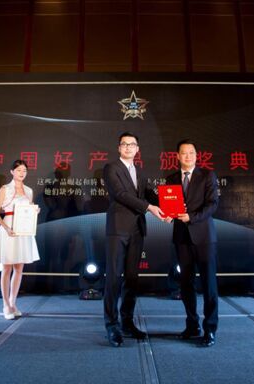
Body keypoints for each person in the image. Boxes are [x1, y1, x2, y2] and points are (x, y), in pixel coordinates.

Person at [103, 132, 164, 347]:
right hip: (118, 229)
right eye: (124, 144)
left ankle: (127, 322)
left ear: (138, 149)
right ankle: (111, 325)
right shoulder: (111, 168)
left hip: (137, 230)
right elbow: (120, 194)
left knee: (131, 278)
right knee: (113, 278)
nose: (128, 147)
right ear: (119, 148)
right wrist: (149, 208)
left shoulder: (140, 172)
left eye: (132, 144)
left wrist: (170, 206)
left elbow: (150, 195)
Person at [166, 139, 219, 347]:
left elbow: (212, 204)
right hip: (182, 237)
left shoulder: (207, 175)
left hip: (204, 237)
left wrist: (192, 217)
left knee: (208, 283)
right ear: (177, 156)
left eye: (191, 153)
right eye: (184, 153)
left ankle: (210, 329)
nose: (188, 156)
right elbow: (169, 205)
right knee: (186, 284)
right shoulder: (171, 179)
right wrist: (167, 214)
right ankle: (192, 324)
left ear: (197, 155)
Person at [0, 160, 40, 320]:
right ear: (12, 172)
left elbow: (28, 211)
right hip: (9, 229)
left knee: (19, 268)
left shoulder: (29, 190)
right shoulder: (5, 189)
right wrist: (6, 227)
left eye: (24, 170)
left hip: (23, 231)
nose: (22, 173)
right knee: (7, 268)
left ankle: (13, 303)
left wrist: (35, 211)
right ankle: (5, 304)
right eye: (18, 170)